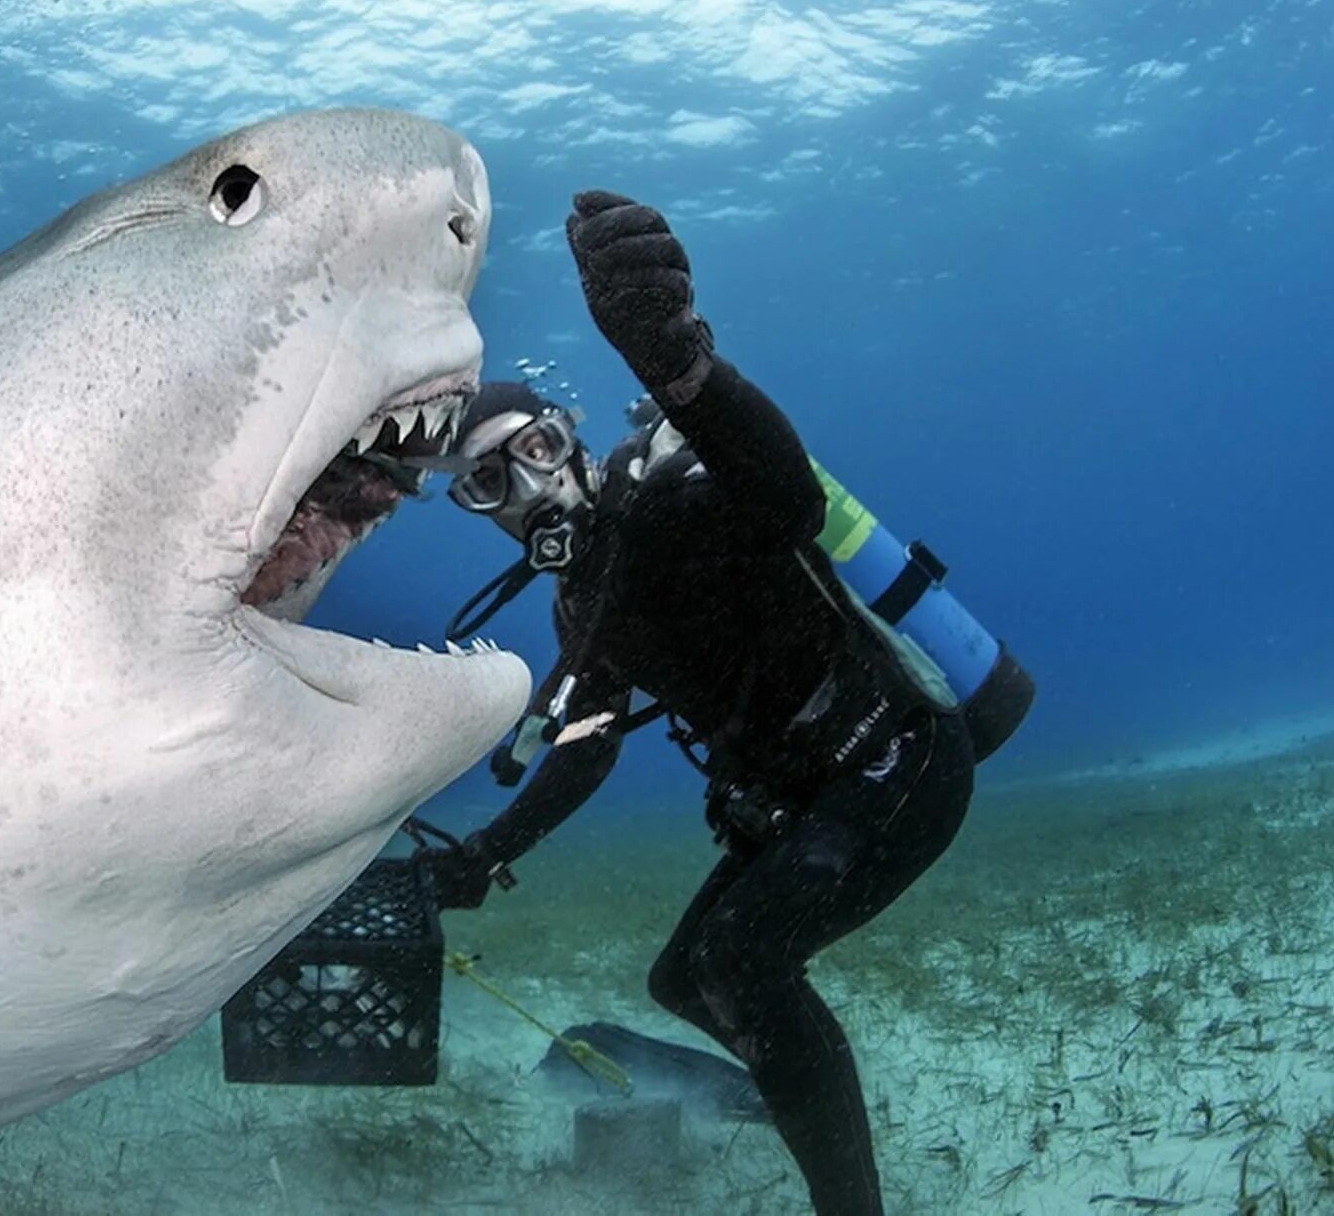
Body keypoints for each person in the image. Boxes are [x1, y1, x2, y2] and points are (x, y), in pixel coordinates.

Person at [416, 191, 1030, 1216]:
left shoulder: (670, 500)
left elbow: (782, 492)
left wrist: (680, 369)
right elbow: (588, 741)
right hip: (804, 792)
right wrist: (492, 847)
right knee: (682, 980)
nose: (522, 490)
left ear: (568, 441)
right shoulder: (583, 600)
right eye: (485, 485)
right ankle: (778, 1084)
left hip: (897, 754)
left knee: (743, 959)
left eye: (530, 450)